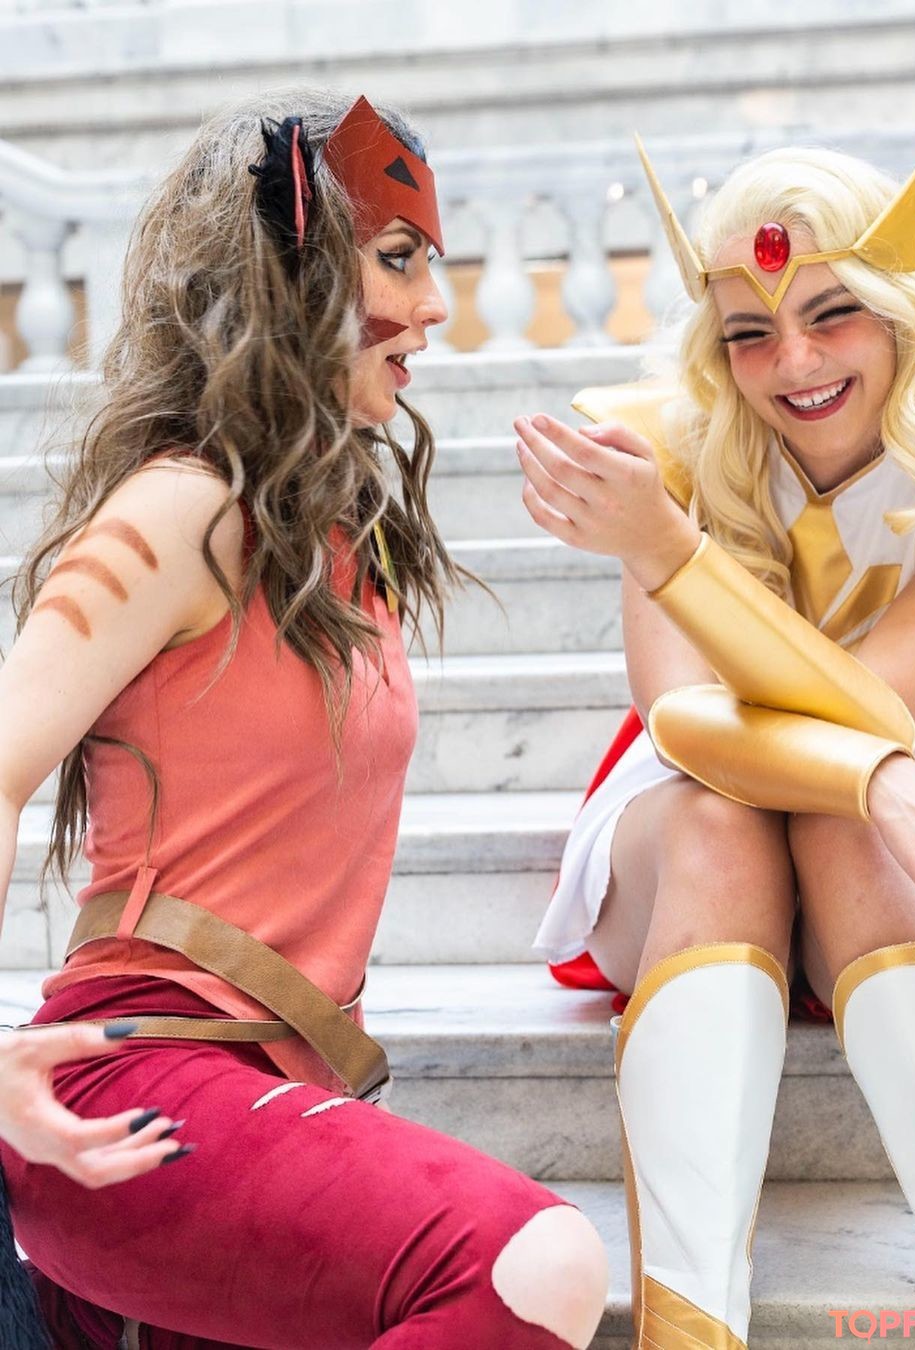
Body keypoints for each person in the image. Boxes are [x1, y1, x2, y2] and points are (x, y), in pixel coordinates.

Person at [0, 90, 607, 1349]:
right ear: (292, 275)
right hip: (137, 1085)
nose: (435, 307)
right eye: (400, 259)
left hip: (275, 1098)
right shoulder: (183, 508)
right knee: (536, 1265)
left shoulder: (335, 537)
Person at [515, 70, 915, 1348]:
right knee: (727, 823)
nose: (795, 362)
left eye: (833, 314)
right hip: (702, 818)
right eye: (749, 333)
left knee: (841, 826)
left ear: (902, 311)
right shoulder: (665, 450)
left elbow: (886, 709)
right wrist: (883, 778)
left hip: (904, 817)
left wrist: (879, 779)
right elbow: (680, 721)